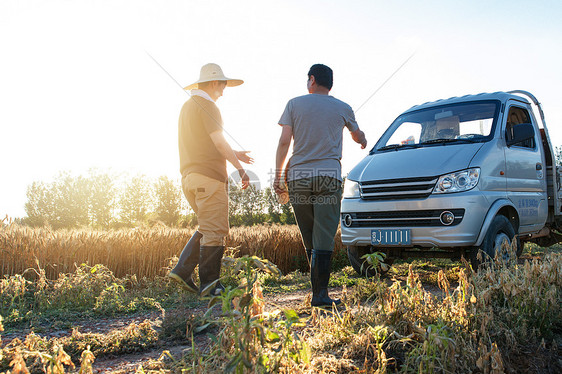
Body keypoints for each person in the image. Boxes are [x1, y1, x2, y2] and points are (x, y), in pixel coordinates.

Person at [274, 64, 367, 307]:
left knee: (309, 236)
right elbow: (357, 135)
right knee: (324, 236)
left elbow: (285, 142)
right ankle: (320, 295)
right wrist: (363, 140)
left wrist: (277, 176)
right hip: (328, 177)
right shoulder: (343, 107)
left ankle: (316, 291)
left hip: (299, 178)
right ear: (330, 83)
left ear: (312, 80)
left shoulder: (294, 104)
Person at [169, 63, 252, 297]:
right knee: (215, 231)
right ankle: (210, 285)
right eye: (223, 84)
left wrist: (234, 153)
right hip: (209, 178)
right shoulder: (209, 107)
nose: (225, 89)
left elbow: (204, 144)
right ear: (214, 83)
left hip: (190, 178)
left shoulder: (188, 107)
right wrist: (240, 168)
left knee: (208, 227)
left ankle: (182, 271)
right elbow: (217, 142)